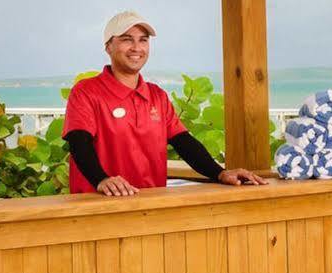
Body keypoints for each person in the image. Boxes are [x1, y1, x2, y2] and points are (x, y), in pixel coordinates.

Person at [63, 11, 265, 196]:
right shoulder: (86, 92)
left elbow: (184, 143)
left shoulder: (157, 95)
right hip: (98, 206)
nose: (136, 48)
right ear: (108, 46)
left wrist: (220, 173)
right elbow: (79, 143)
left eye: (143, 40)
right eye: (127, 40)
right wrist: (102, 180)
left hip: (151, 204)